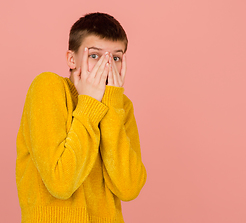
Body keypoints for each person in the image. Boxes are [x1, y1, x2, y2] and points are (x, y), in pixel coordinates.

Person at [15, 12, 147, 223]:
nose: (107, 66)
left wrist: (112, 105)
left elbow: (129, 188)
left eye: (116, 58)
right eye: (94, 55)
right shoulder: (48, 87)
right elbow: (61, 183)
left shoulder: (122, 107)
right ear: (71, 59)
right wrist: (89, 103)